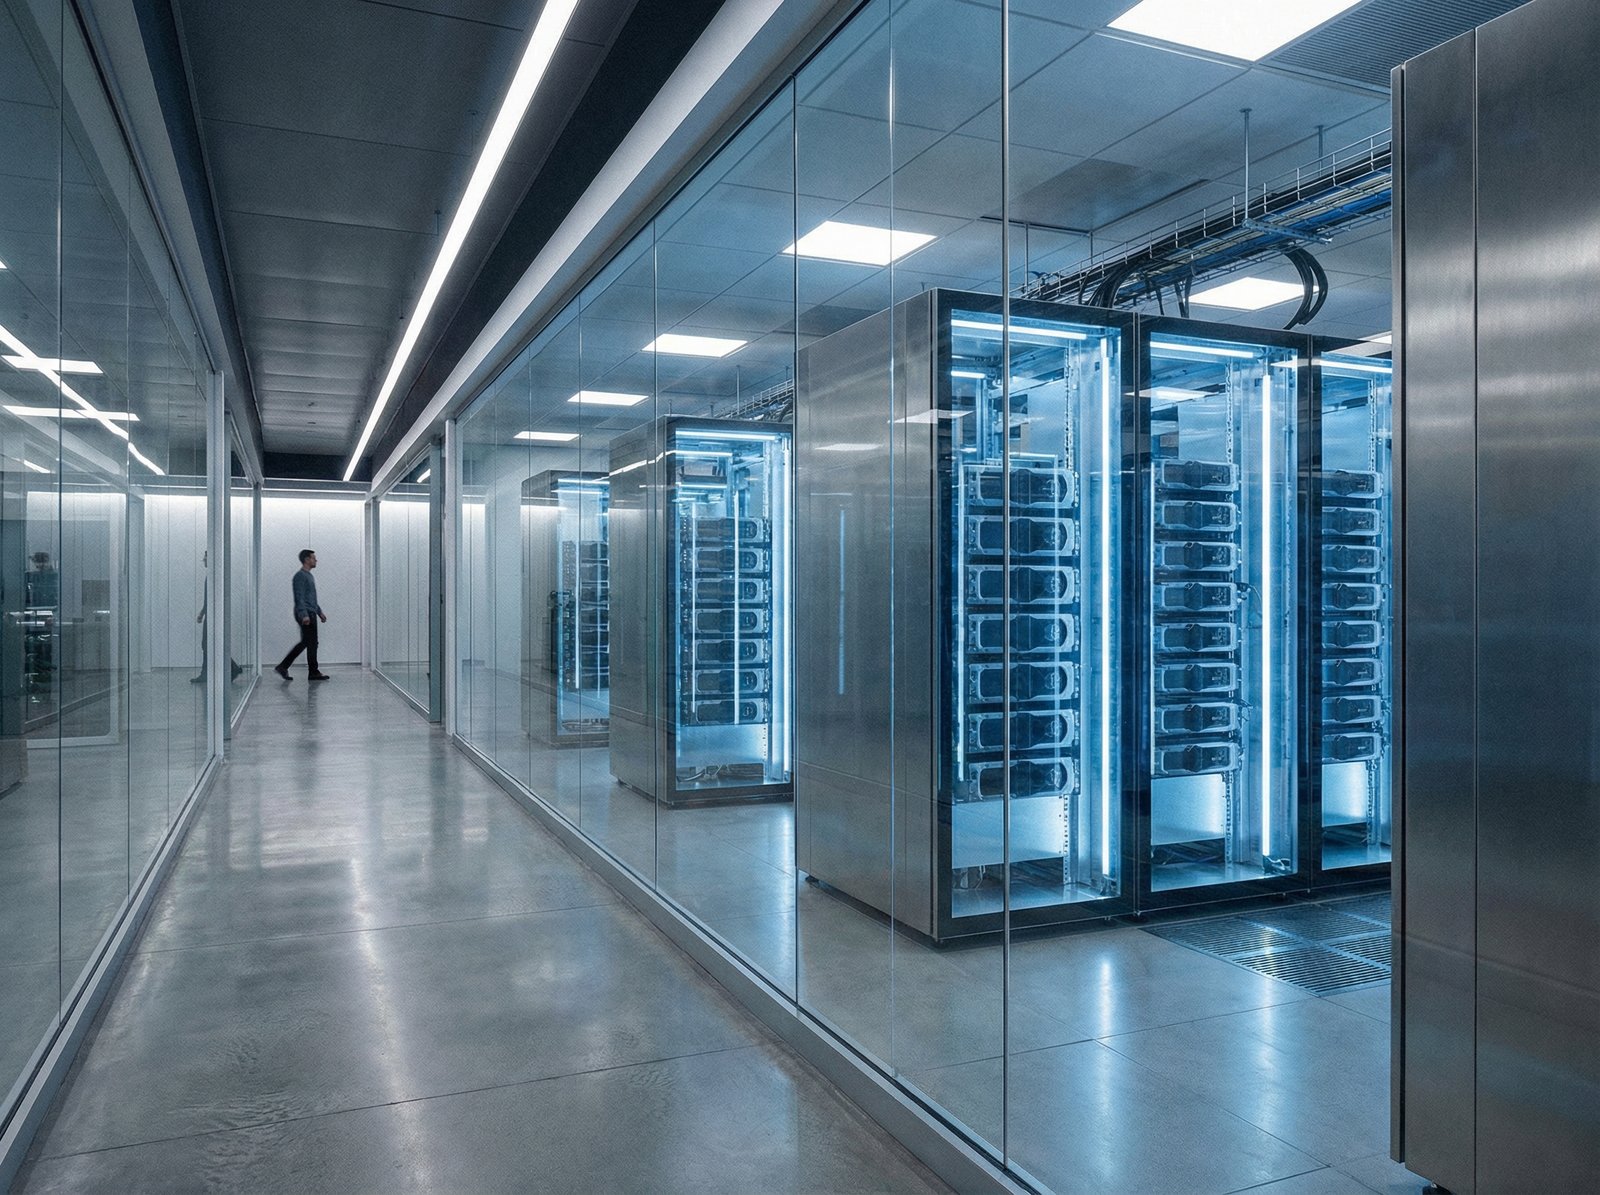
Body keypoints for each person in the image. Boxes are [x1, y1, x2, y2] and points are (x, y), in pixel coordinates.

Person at [274, 548, 329, 681]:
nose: (316, 560)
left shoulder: (309, 575)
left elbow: (311, 598)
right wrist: (304, 615)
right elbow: (299, 597)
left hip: (310, 611)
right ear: (307, 560)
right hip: (305, 613)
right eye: (313, 558)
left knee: (309, 642)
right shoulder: (300, 576)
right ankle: (311, 672)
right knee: (310, 642)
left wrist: (319, 612)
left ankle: (285, 666)